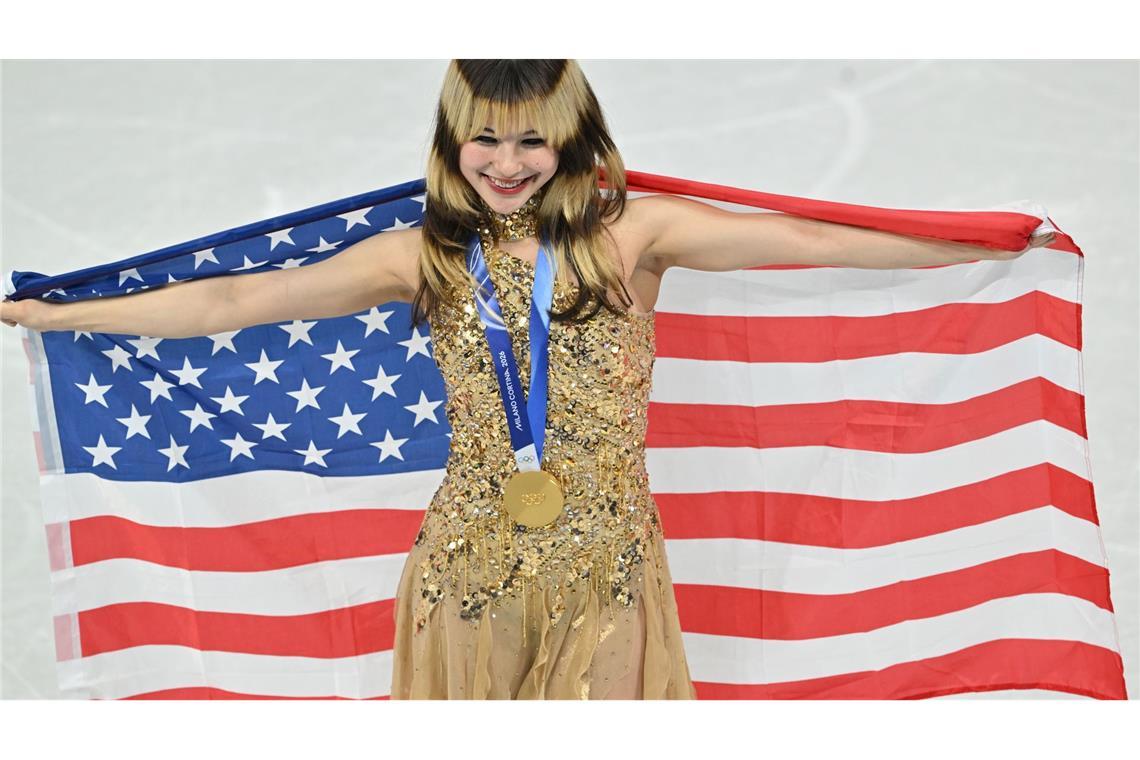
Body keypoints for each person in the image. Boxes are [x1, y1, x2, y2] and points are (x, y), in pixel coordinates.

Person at [0, 59, 1055, 700]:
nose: (506, 163)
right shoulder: (423, 255)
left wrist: (968, 244)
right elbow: (236, 302)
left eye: (531, 141)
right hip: (469, 562)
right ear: (451, 142)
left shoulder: (635, 235)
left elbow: (801, 239)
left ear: (574, 139)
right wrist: (62, 313)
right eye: (484, 141)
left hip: (608, 567)